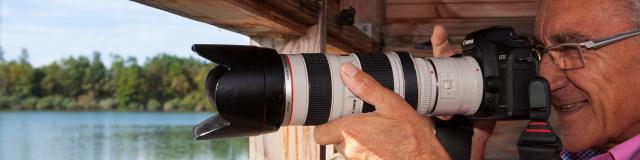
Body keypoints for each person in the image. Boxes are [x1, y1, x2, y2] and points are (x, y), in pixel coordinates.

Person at [313, 0, 640, 159]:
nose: (547, 79)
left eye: (571, 48)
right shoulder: (586, 152)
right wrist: (466, 144)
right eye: (543, 50)